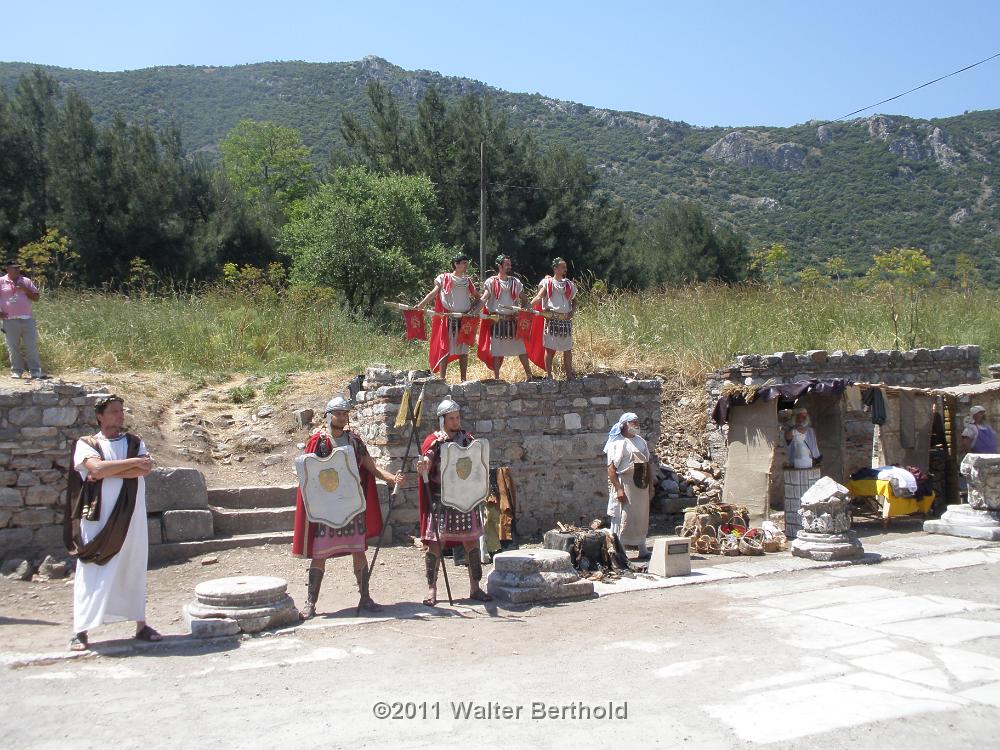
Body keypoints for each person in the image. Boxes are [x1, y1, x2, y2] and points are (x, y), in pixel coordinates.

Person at [292, 396, 405, 619]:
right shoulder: (318, 442)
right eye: (338, 413)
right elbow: (309, 475)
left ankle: (366, 598)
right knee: (320, 553)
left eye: (345, 414)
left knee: (358, 551)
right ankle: (310, 603)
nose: (342, 418)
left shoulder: (354, 441)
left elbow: (371, 468)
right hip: (327, 509)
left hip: (351, 506)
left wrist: (392, 479)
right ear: (328, 415)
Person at [67, 395, 158, 651]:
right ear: (100, 416)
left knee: (133, 565)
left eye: (121, 411)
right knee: (92, 568)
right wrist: (130, 465)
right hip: (99, 520)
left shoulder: (134, 442)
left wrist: (108, 470)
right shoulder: (87, 444)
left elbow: (145, 469)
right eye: (114, 411)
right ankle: (81, 630)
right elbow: (95, 470)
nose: (120, 415)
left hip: (131, 517)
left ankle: (141, 625)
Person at [416, 399, 492, 606]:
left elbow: (478, 463)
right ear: (442, 420)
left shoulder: (467, 439)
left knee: (472, 544)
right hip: (443, 501)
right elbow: (428, 458)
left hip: (466, 499)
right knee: (435, 546)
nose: (456, 421)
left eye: (457, 417)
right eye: (452, 418)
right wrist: (424, 465)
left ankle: (475, 588)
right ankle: (432, 590)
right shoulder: (436, 441)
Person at [416, 253, 480, 381]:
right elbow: (434, 292)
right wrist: (421, 304)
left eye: (467, 263)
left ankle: (463, 380)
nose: (466, 266)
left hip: (464, 319)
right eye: (464, 263)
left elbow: (478, 298)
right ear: (456, 264)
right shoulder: (444, 278)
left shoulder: (467, 281)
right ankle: (442, 379)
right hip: (449, 318)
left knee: (463, 350)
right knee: (445, 348)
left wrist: (472, 311)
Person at [478, 254, 534, 380]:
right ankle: (497, 378)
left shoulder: (515, 282)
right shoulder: (491, 282)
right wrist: (474, 310)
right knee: (497, 352)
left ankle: (529, 375)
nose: (510, 266)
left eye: (510, 264)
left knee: (521, 349)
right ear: (499, 266)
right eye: (507, 264)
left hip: (512, 321)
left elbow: (524, 299)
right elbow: (484, 298)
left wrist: (525, 312)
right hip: (497, 322)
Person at [604, 412, 651, 558]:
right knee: (622, 516)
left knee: (641, 516)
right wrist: (618, 489)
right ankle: (619, 550)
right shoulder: (617, 443)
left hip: (641, 484)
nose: (636, 425)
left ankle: (642, 548)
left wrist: (651, 486)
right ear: (624, 425)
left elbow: (648, 464)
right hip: (625, 484)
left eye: (637, 422)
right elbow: (611, 469)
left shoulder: (641, 441)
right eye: (633, 422)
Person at [530, 257, 577, 379]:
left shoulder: (569, 284)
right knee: (550, 350)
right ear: (555, 269)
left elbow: (574, 299)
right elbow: (539, 297)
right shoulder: (547, 282)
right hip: (552, 319)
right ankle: (549, 376)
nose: (565, 269)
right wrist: (528, 306)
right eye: (562, 267)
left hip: (565, 320)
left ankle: (569, 375)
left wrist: (573, 310)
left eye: (565, 267)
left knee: (567, 350)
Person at [0, 258, 45, 379]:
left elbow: (36, 298)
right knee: (13, 348)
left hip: (27, 319)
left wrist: (25, 289)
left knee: (31, 346)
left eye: (18, 267)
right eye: (14, 267)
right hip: (9, 320)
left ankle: (35, 371)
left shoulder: (26, 281)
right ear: (7, 269)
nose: (17, 269)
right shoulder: (1, 281)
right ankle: (17, 371)